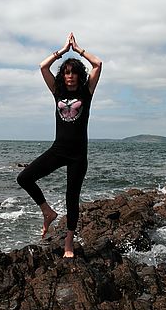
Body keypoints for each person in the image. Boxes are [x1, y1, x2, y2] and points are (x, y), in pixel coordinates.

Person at [17, 32, 102, 257]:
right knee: (24, 178)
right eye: (66, 73)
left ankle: (68, 242)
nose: (70, 76)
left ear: (79, 75)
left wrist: (79, 50)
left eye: (73, 72)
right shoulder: (58, 92)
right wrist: (63, 51)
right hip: (58, 150)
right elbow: (43, 67)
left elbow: (98, 64)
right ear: (63, 76)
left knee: (71, 197)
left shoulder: (86, 92)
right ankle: (47, 212)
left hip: (77, 155)